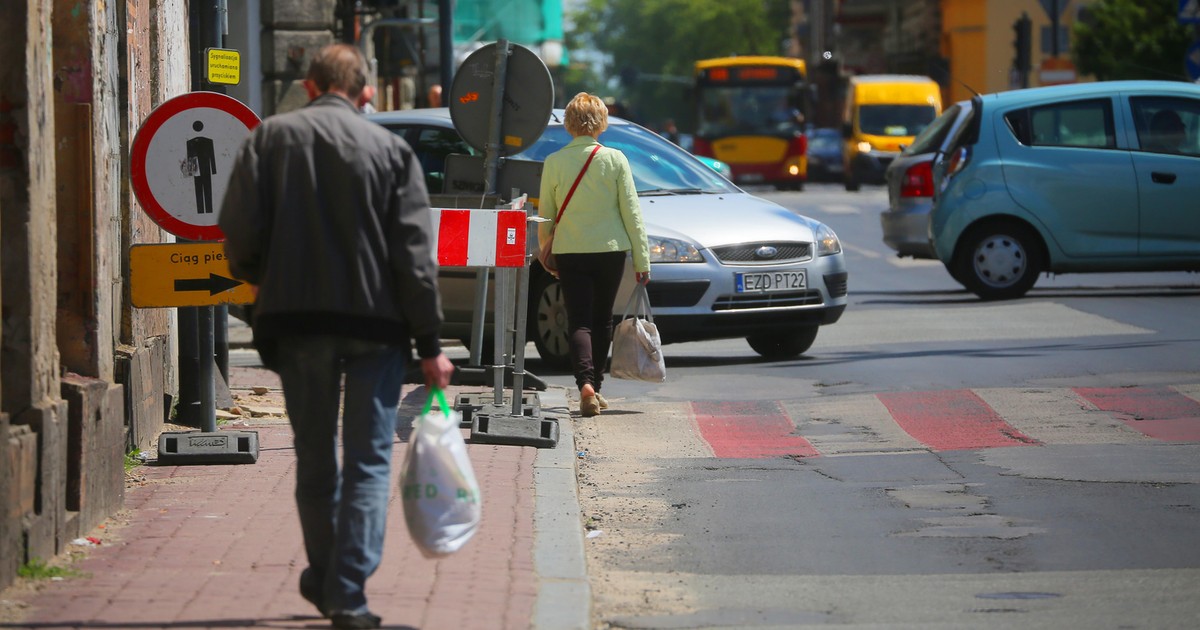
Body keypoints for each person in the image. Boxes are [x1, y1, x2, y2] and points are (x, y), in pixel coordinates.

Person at [218, 43, 455, 630]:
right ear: (366, 92)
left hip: (295, 325)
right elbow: (414, 257)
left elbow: (238, 235)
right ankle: (346, 590)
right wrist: (429, 343)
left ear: (308, 84)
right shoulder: (391, 151)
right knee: (370, 460)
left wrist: (260, 275)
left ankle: (327, 578)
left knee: (315, 459)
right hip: (376, 329)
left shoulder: (267, 140)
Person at [538, 92, 651, 417]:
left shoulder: (555, 162)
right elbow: (632, 213)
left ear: (569, 124)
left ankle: (585, 384)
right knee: (602, 319)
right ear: (601, 122)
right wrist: (642, 261)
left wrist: (547, 253)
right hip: (609, 251)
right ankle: (596, 387)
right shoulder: (615, 160)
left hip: (570, 250)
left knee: (579, 321)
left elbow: (546, 214)